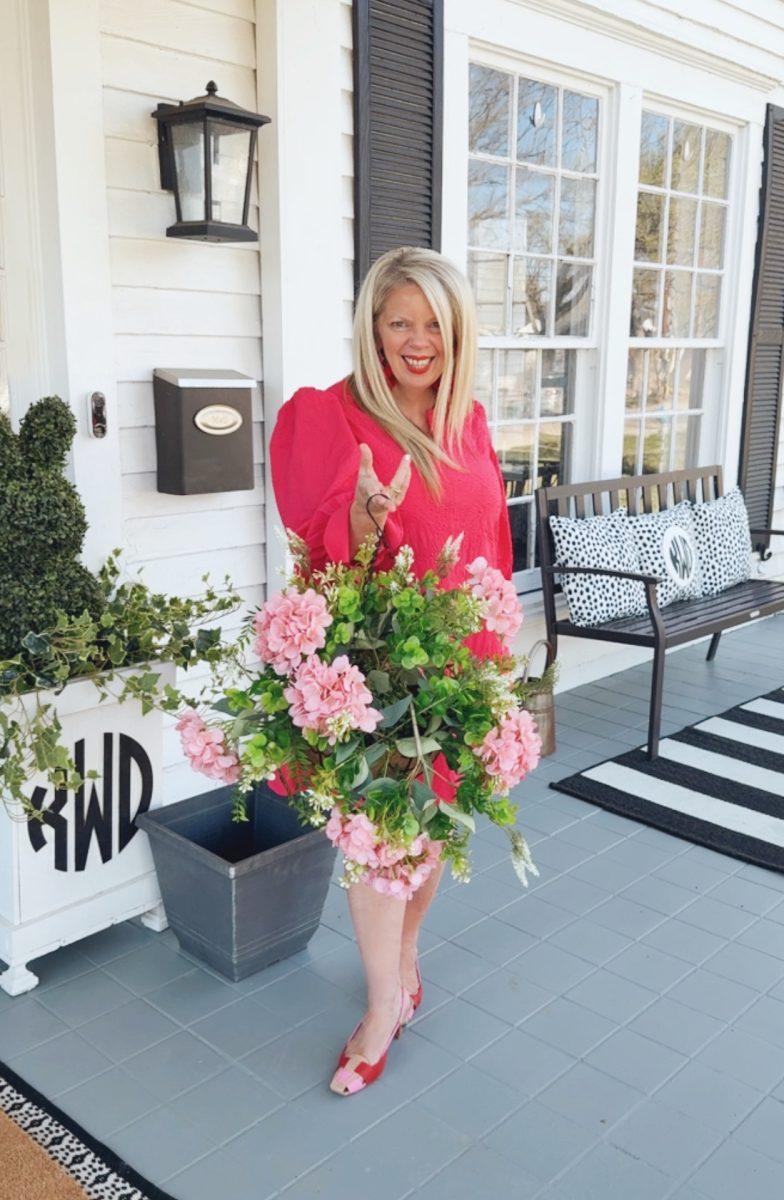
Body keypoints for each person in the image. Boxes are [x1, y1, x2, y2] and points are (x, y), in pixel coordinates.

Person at [269, 246, 512, 1096]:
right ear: (372, 325)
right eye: (398, 321)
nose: (416, 341)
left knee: (435, 833)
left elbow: (489, 546)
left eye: (434, 325)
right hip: (378, 670)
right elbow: (322, 563)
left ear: (458, 334)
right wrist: (369, 521)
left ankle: (406, 963)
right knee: (381, 847)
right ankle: (380, 1008)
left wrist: (499, 667)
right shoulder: (329, 418)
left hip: (458, 669)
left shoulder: (468, 421)